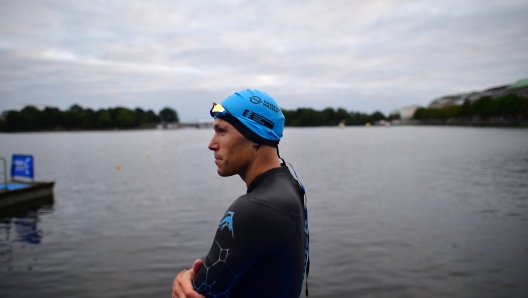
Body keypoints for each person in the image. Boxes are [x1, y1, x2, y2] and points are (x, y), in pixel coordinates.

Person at [172, 89, 309, 298]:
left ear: (255, 137)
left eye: (222, 131)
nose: (211, 144)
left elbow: (192, 294)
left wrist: (183, 278)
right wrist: (188, 274)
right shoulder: (290, 185)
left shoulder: (254, 208)